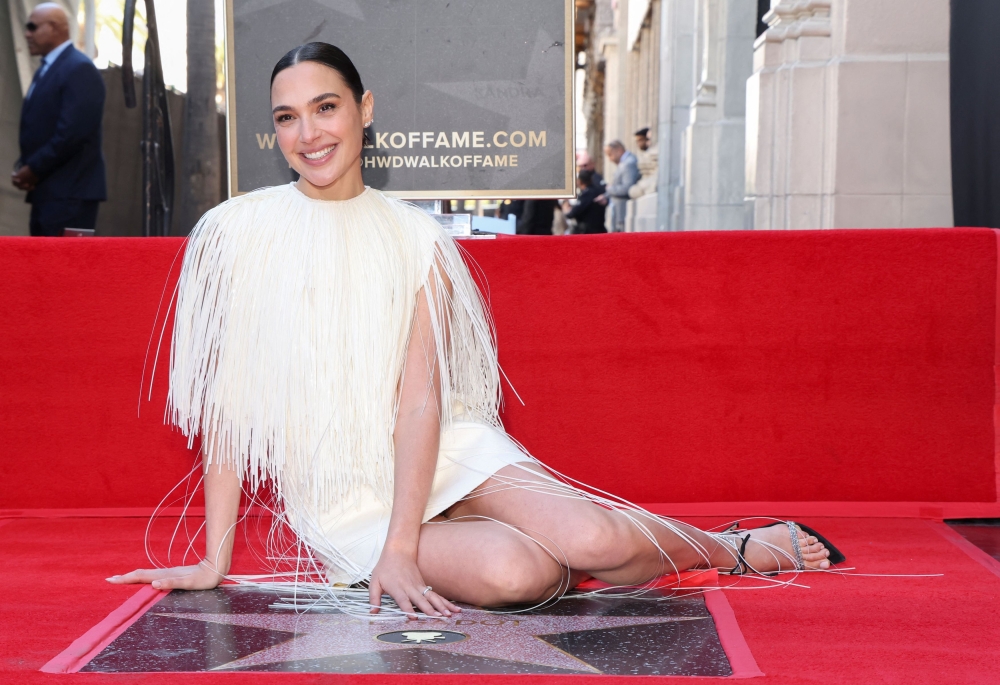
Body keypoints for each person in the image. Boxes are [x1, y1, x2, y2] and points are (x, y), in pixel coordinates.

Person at [109, 43, 835, 619]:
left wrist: (405, 548)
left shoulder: (418, 238)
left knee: (591, 537)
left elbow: (421, 401)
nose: (309, 133)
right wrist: (215, 559)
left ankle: (734, 548)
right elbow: (231, 412)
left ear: (364, 109)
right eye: (287, 117)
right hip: (347, 500)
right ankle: (561, 555)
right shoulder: (235, 233)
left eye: (326, 107)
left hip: (449, 453)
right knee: (521, 573)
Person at [12, 3, 107, 236]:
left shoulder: (79, 69)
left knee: (66, 260)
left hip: (70, 196)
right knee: (41, 259)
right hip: (49, 192)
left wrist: (33, 168)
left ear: (54, 28)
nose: (27, 34)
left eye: (32, 27)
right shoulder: (49, 68)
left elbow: (72, 134)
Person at [601, 140, 639, 232]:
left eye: (610, 155)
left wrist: (609, 189)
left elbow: (628, 188)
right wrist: (605, 196)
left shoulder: (629, 163)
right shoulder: (624, 163)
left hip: (623, 213)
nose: (610, 159)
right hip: (618, 213)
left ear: (619, 150)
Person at [562, 169, 607, 234]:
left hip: (589, 232)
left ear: (579, 181)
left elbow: (571, 214)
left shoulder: (587, 194)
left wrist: (566, 206)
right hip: (598, 230)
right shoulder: (596, 190)